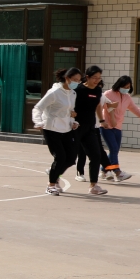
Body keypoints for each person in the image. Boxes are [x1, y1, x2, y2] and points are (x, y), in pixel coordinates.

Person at [32, 68, 81, 196]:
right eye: (74, 80)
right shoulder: (54, 92)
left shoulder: (73, 93)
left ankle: (53, 171)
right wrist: (38, 122)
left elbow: (69, 111)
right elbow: (38, 108)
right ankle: (51, 185)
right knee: (60, 157)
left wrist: (73, 121)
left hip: (66, 129)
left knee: (71, 159)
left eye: (79, 80)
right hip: (51, 128)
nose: (77, 82)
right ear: (67, 78)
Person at [101, 76, 140, 182]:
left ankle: (104, 169)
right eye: (124, 87)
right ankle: (117, 172)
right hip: (107, 126)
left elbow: (136, 110)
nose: (126, 89)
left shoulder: (127, 97)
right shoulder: (108, 94)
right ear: (119, 85)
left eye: (128, 87)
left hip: (118, 127)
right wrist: (105, 118)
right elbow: (100, 106)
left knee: (115, 150)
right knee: (113, 149)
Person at [72, 66, 110, 196]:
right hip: (75, 127)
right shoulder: (78, 90)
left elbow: (98, 106)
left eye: (99, 78)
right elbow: (68, 104)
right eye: (94, 78)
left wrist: (102, 120)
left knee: (96, 155)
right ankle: (54, 179)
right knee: (68, 157)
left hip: (90, 128)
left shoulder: (98, 90)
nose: (97, 80)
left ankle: (93, 186)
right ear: (87, 77)